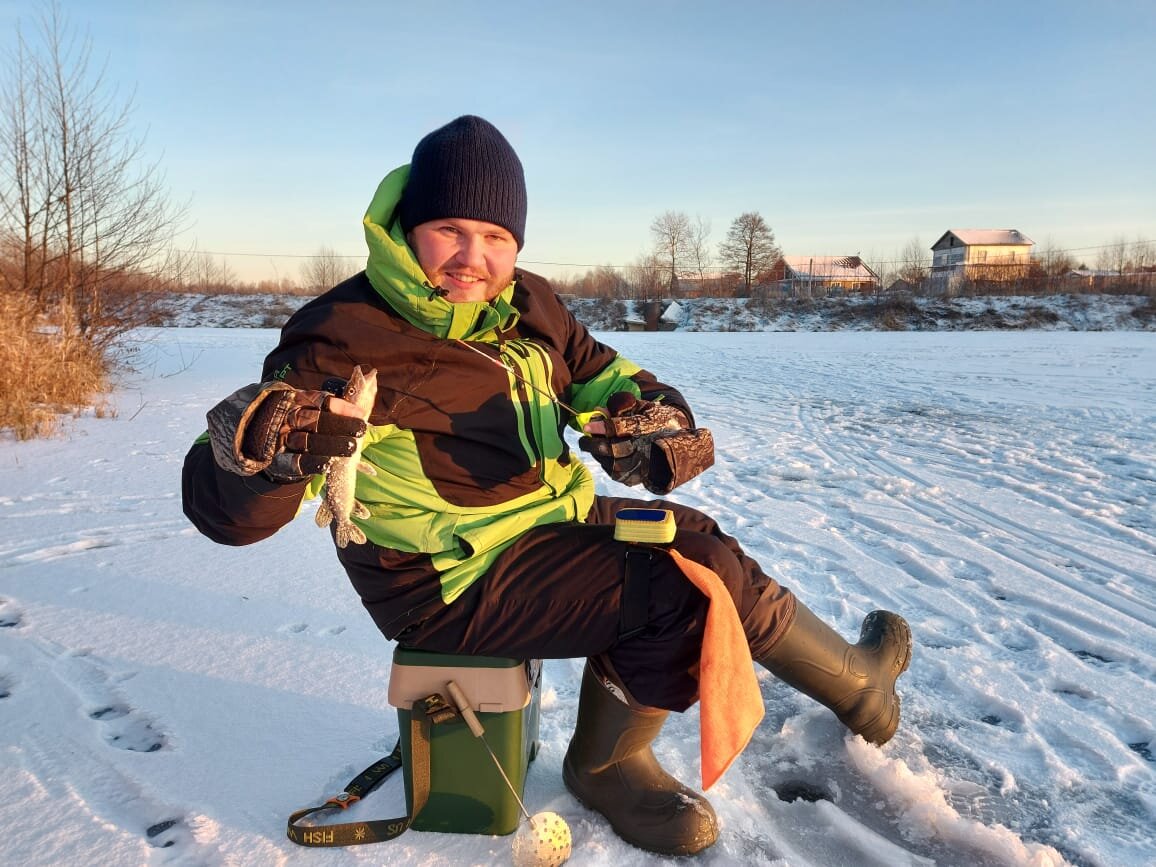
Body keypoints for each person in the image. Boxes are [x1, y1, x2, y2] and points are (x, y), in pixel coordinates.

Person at [181, 115, 912, 857]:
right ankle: (608, 764)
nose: (475, 256)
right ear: (407, 226)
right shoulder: (342, 333)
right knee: (684, 584)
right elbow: (228, 512)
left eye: (497, 237)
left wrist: (650, 427)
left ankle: (858, 682)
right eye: (449, 229)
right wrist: (263, 452)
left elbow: (611, 376)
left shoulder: (531, 304)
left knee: (698, 539)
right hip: (447, 579)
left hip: (546, 521)